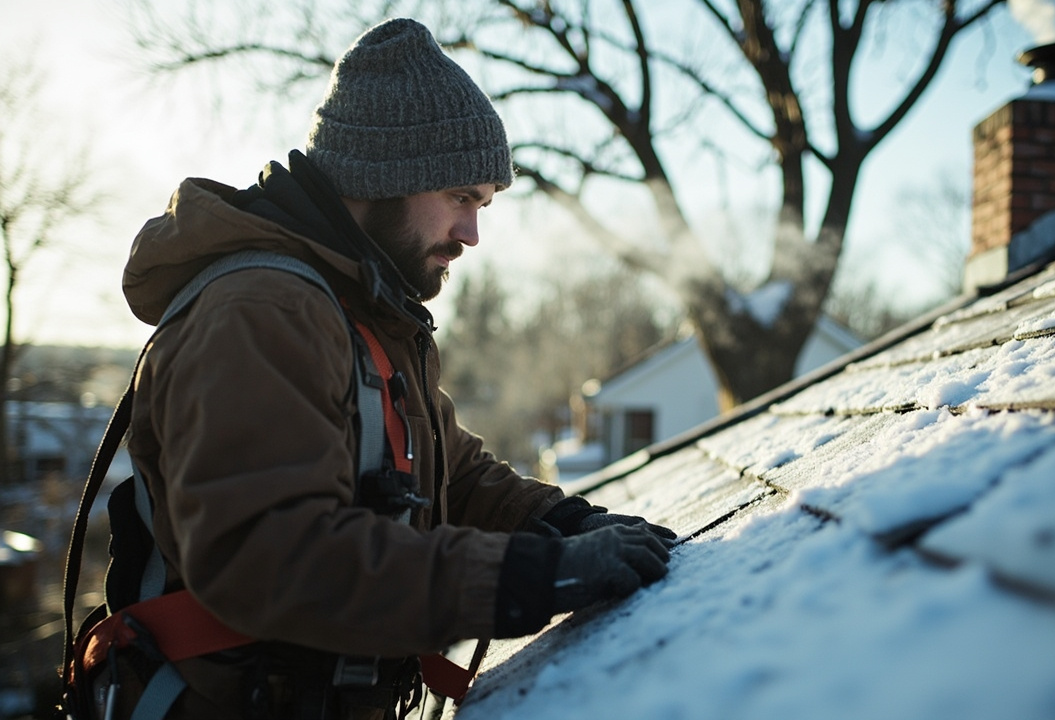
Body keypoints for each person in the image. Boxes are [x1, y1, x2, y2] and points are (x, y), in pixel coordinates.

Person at [120, 17, 675, 719]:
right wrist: (526, 578)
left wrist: (564, 524)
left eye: (483, 204)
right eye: (460, 198)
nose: (472, 234)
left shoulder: (358, 310)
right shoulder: (261, 311)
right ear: (383, 178)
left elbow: (450, 473)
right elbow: (271, 557)